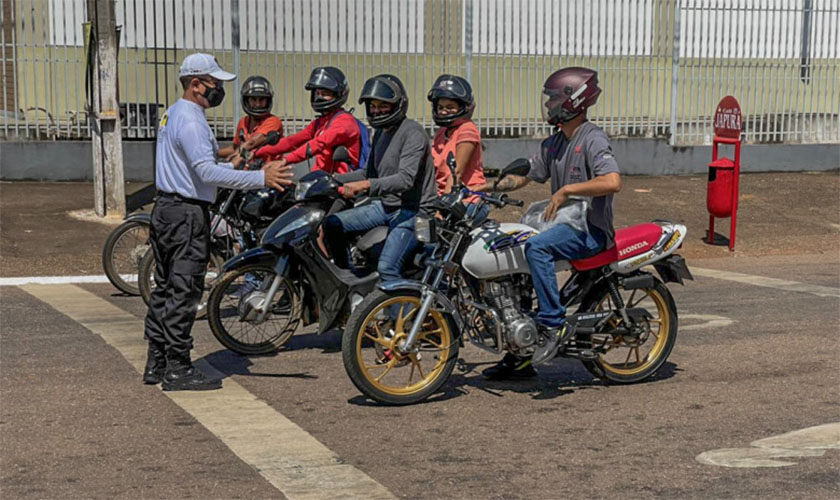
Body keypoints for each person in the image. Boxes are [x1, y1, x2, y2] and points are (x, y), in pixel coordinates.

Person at [143, 53, 293, 391]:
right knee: (184, 289)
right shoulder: (193, 121)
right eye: (214, 84)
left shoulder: (174, 114)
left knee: (166, 287)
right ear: (195, 84)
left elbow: (201, 168)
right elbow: (205, 171)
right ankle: (178, 367)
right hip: (185, 216)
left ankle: (157, 359)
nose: (218, 90)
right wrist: (260, 178)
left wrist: (240, 169)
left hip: (168, 209)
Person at [481, 67, 622, 380]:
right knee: (512, 253)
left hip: (590, 230)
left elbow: (612, 181)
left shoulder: (593, 138)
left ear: (573, 99)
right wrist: (484, 187)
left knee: (537, 247)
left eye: (553, 98)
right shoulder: (555, 143)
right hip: (563, 226)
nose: (547, 105)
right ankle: (519, 354)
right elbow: (524, 177)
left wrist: (568, 189)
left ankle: (553, 324)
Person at [322, 74, 437, 285]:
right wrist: (330, 179)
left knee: (387, 268)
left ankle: (399, 316)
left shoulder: (413, 133)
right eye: (373, 105)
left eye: (382, 105)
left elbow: (405, 179)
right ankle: (348, 280)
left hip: (414, 211)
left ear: (398, 104)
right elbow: (369, 173)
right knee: (333, 223)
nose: (376, 110)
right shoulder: (381, 134)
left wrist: (366, 186)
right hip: (386, 206)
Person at [254, 66, 362, 174]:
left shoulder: (344, 122)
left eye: (324, 94)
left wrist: (285, 161)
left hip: (342, 183)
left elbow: (319, 143)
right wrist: (257, 152)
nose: (319, 98)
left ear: (338, 94)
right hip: (322, 179)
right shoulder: (321, 122)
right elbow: (292, 141)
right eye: (317, 94)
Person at [427, 74, 486, 198]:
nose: (444, 111)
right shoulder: (442, 132)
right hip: (439, 195)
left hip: (465, 198)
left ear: (463, 107)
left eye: (450, 107)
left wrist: (443, 209)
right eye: (440, 107)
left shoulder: (467, 129)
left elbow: (457, 173)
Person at [218, 75, 284, 160]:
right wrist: (214, 153)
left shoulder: (273, 122)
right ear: (246, 100)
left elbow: (252, 143)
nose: (257, 104)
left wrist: (232, 159)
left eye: (262, 99)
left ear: (268, 100)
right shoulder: (243, 122)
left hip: (268, 170)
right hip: (246, 170)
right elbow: (235, 148)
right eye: (253, 99)